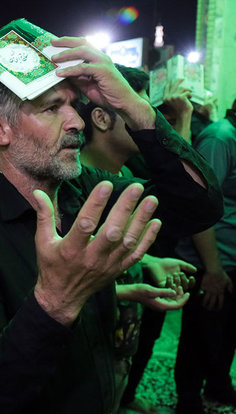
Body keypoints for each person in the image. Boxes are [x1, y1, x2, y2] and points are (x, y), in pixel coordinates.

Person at [0, 35, 223, 414]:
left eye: (74, 105)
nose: (77, 120)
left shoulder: (90, 192)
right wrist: (55, 303)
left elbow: (199, 206)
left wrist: (134, 106)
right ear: (0, 131)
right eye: (51, 108)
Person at [79, 64, 198, 412]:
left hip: (119, 339)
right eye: (138, 109)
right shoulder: (80, 186)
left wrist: (148, 262)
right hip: (86, 350)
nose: (151, 120)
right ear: (101, 119)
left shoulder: (129, 173)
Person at [174, 99, 236, 414]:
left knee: (226, 333)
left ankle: (218, 383)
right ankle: (188, 396)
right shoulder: (220, 138)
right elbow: (199, 203)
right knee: (201, 331)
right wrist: (212, 268)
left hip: (231, 257)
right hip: (211, 258)